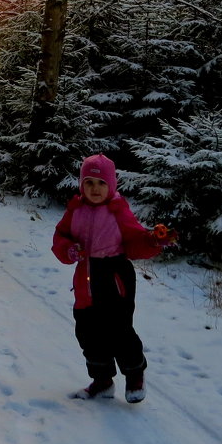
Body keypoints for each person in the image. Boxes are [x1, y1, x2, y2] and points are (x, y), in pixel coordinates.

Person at [51, 153, 172, 403]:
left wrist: (153, 240)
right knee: (88, 331)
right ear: (82, 184)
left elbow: (136, 242)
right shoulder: (75, 209)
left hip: (115, 276)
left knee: (119, 330)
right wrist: (69, 249)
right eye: (89, 183)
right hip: (85, 277)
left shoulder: (118, 210)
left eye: (101, 183)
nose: (95, 189)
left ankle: (134, 375)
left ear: (111, 185)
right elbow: (60, 237)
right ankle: (102, 381)